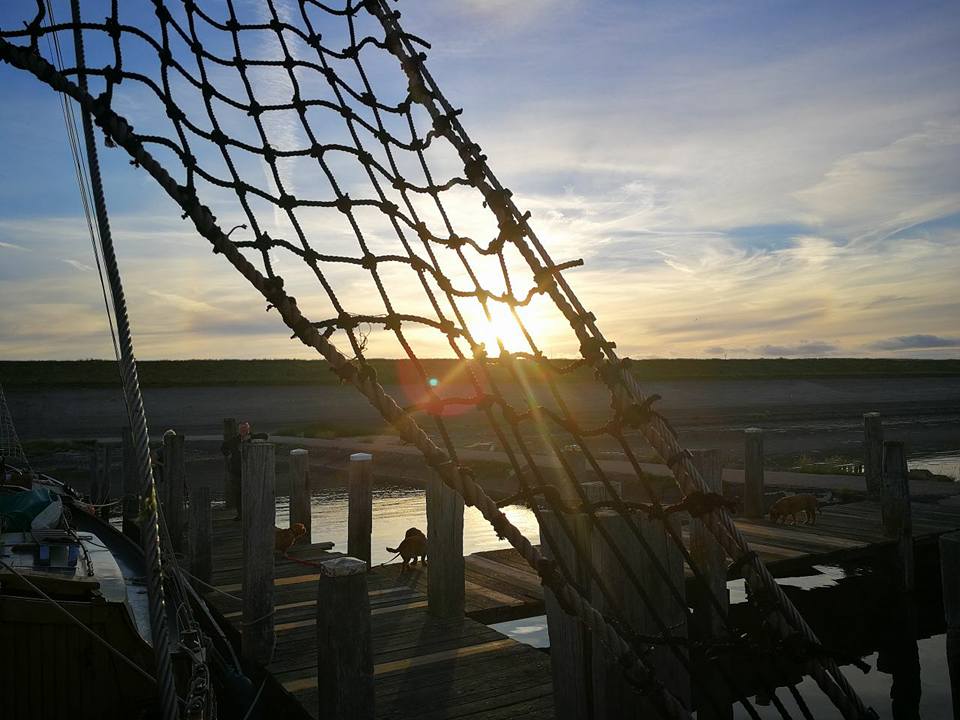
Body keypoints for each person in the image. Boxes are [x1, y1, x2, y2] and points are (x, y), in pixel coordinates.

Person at [221, 421, 251, 520]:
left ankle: (251, 513)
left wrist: (251, 438)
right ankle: (240, 515)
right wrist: (228, 454)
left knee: (250, 493)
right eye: (241, 429)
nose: (243, 430)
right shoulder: (234, 440)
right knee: (238, 494)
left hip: (250, 471)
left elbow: (264, 436)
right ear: (239, 430)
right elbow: (223, 447)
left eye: (245, 429)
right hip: (236, 471)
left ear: (248, 429)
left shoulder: (252, 438)